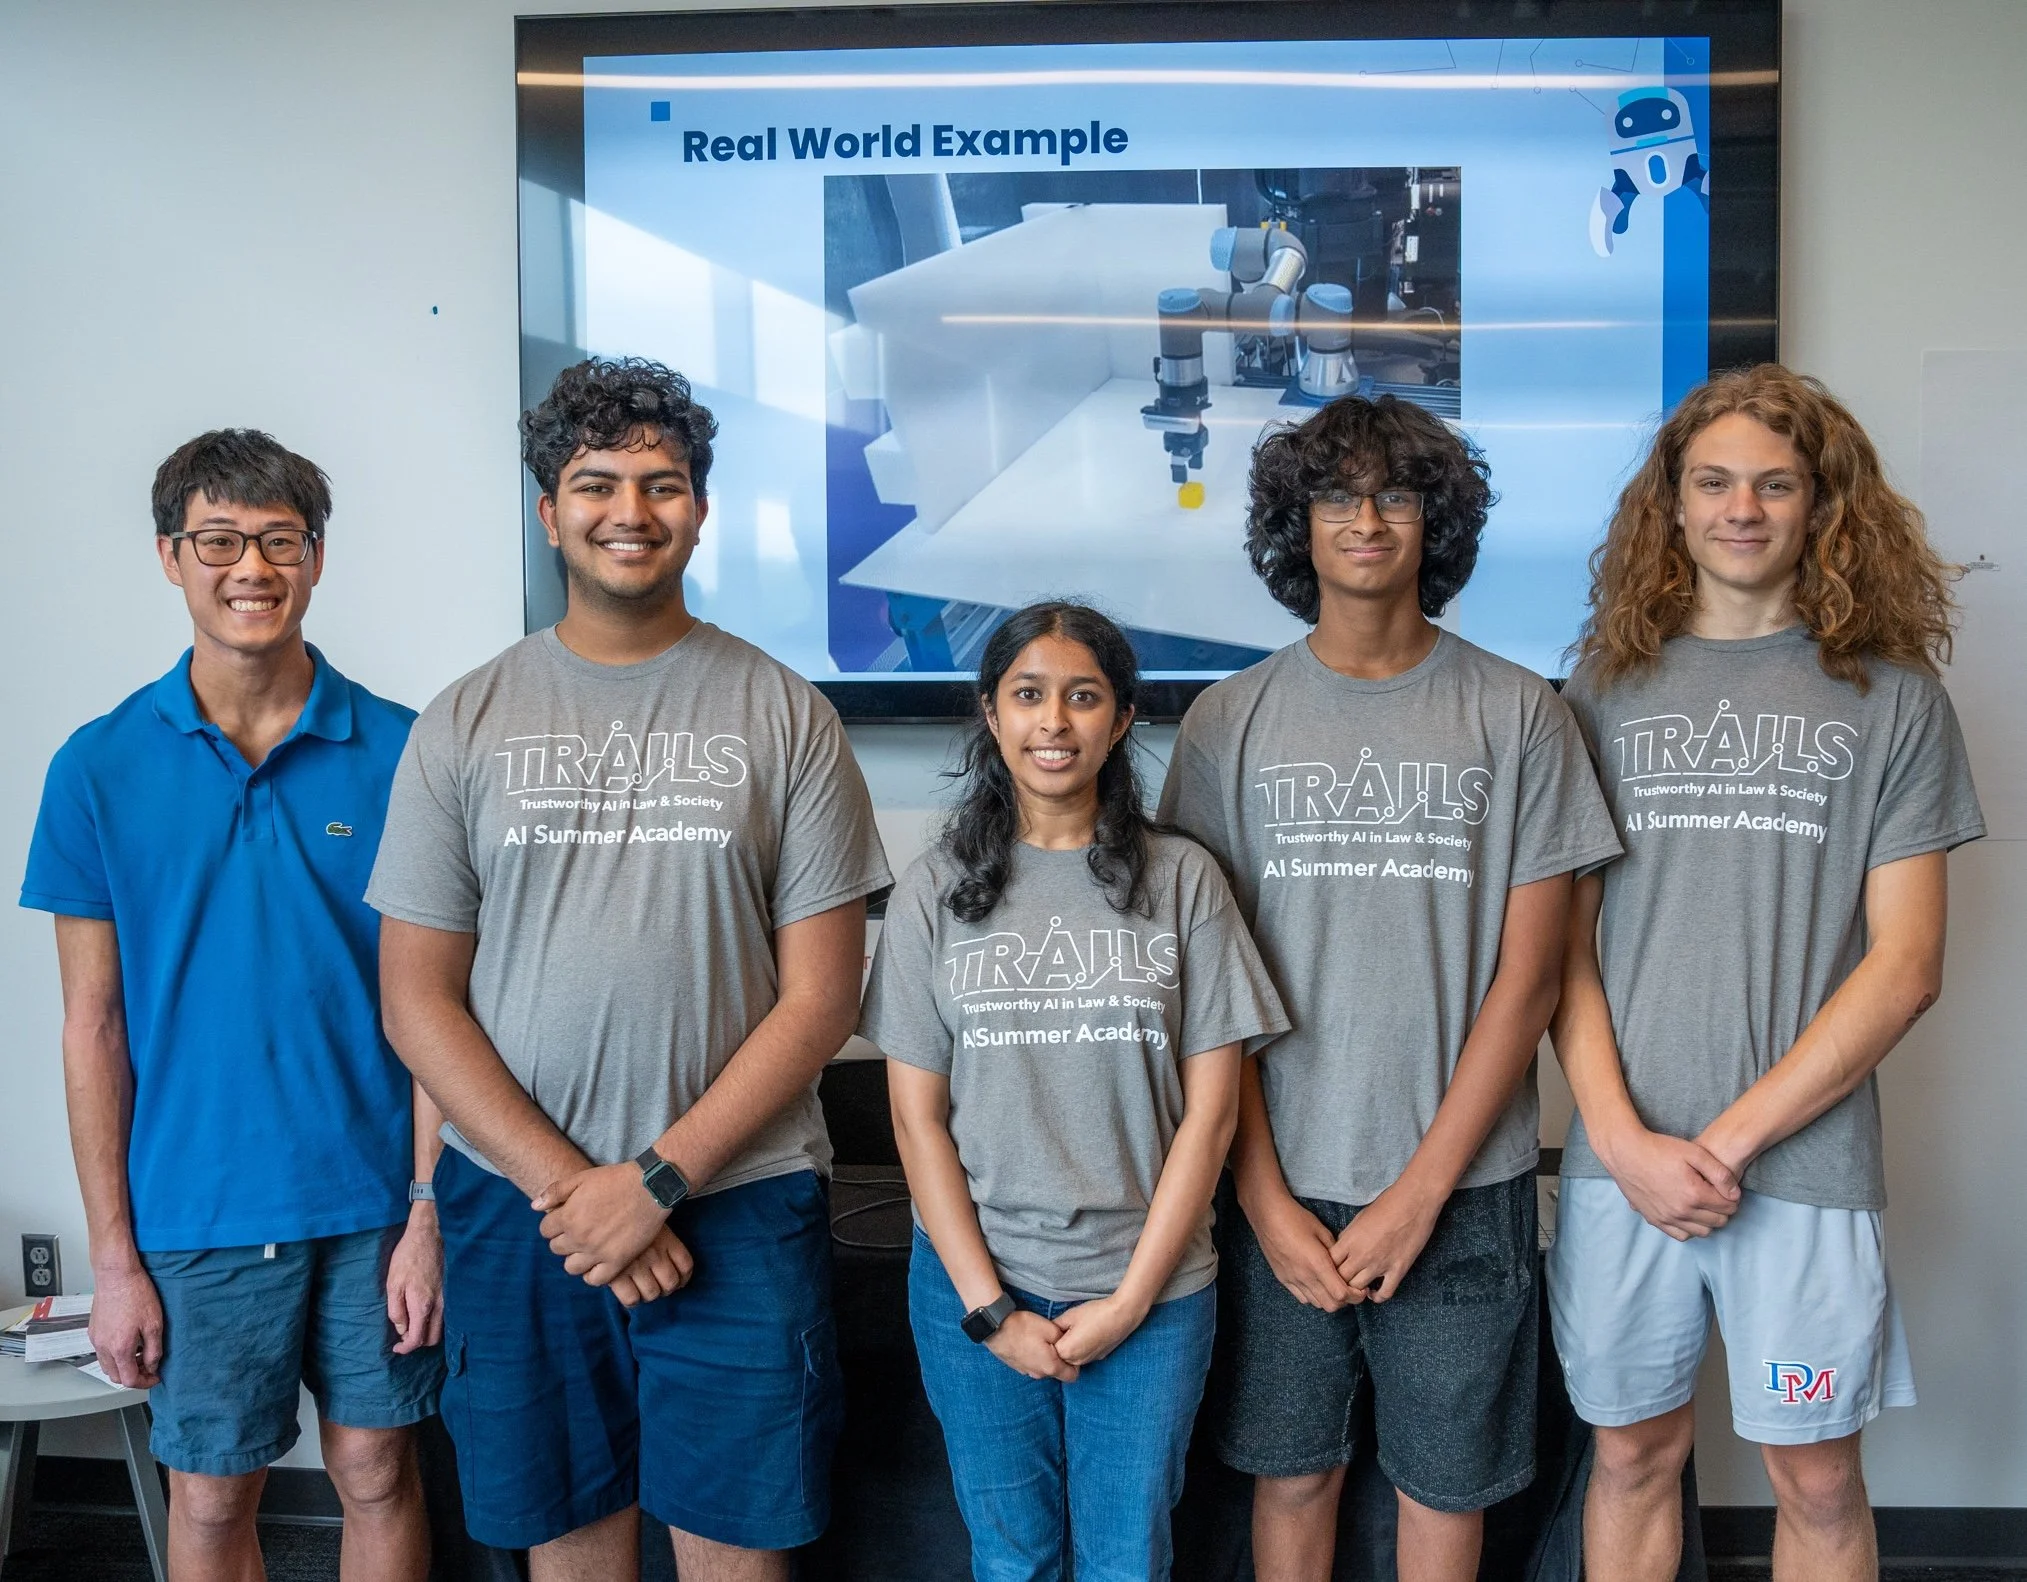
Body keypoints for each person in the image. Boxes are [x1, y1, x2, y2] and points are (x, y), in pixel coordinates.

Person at [368, 357, 890, 1581]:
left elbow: (822, 1000)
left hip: (739, 1201)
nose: (630, 510)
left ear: (700, 510)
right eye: (595, 482)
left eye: (662, 484)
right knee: (568, 1553)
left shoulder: (785, 713)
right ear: (548, 511)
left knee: (737, 1558)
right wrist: (576, 1191)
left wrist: (655, 1179)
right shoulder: (466, 719)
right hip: (525, 1213)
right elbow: (415, 996)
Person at [1159, 395, 1622, 1582]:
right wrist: (1259, 1198)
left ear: (1436, 522)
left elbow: (1529, 982)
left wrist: (1420, 1192)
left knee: (1443, 1488)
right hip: (1279, 1188)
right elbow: (1206, 991)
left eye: (1397, 494)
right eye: (1334, 496)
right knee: (1292, 1471)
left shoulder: (1520, 715)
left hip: (1462, 1191)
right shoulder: (1227, 721)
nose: (1365, 519)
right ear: (1293, 525)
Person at [1548, 365, 1983, 1582]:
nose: (1742, 508)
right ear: (1671, 507)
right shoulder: (1598, 689)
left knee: (1815, 1473)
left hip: (1798, 1165)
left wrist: (1725, 1144)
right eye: (1714, 481)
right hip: (1620, 1166)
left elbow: (1904, 967)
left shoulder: (1890, 700)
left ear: (1818, 505)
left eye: (1774, 484)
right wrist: (1629, 1142)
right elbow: (1559, 952)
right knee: (1631, 1455)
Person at [21, 430, 443, 1582]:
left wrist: (427, 1209)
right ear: (170, 556)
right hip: (195, 1210)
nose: (248, 566)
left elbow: (441, 1013)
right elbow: (91, 1027)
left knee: (377, 1472)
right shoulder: (97, 766)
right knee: (209, 1499)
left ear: (315, 559)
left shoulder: (406, 751)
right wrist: (112, 1257)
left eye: (277, 540)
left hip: (373, 1206)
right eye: (218, 539)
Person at [861, 602, 1288, 1582]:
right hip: (976, 1291)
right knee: (1011, 1558)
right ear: (989, 712)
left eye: (1082, 696)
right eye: (1027, 694)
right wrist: (989, 1313)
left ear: (1122, 718)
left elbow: (1210, 1115)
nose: (1053, 721)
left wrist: (1131, 1299)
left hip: (1151, 1292)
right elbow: (913, 1120)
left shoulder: (1184, 880)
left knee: (1126, 1560)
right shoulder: (935, 888)